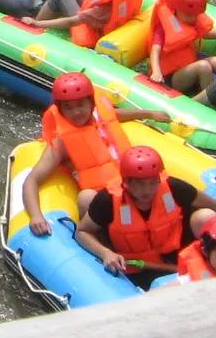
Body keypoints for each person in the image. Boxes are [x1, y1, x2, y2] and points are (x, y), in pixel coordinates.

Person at [76, 146, 216, 286]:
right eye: (140, 184)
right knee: (86, 199)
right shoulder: (108, 200)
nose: (147, 190)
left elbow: (214, 206)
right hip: (132, 263)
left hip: (174, 252)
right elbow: (82, 232)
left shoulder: (173, 187)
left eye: (152, 182)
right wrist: (106, 253)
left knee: (206, 216)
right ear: (126, 182)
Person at [21, 71, 172, 234]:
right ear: (61, 111)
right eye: (68, 108)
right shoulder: (61, 143)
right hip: (106, 202)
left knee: (163, 181)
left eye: (80, 104)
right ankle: (100, 239)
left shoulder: (100, 118)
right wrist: (36, 215)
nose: (76, 112)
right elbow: (31, 180)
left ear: (91, 103)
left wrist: (148, 113)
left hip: (134, 188)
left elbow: (114, 115)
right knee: (86, 197)